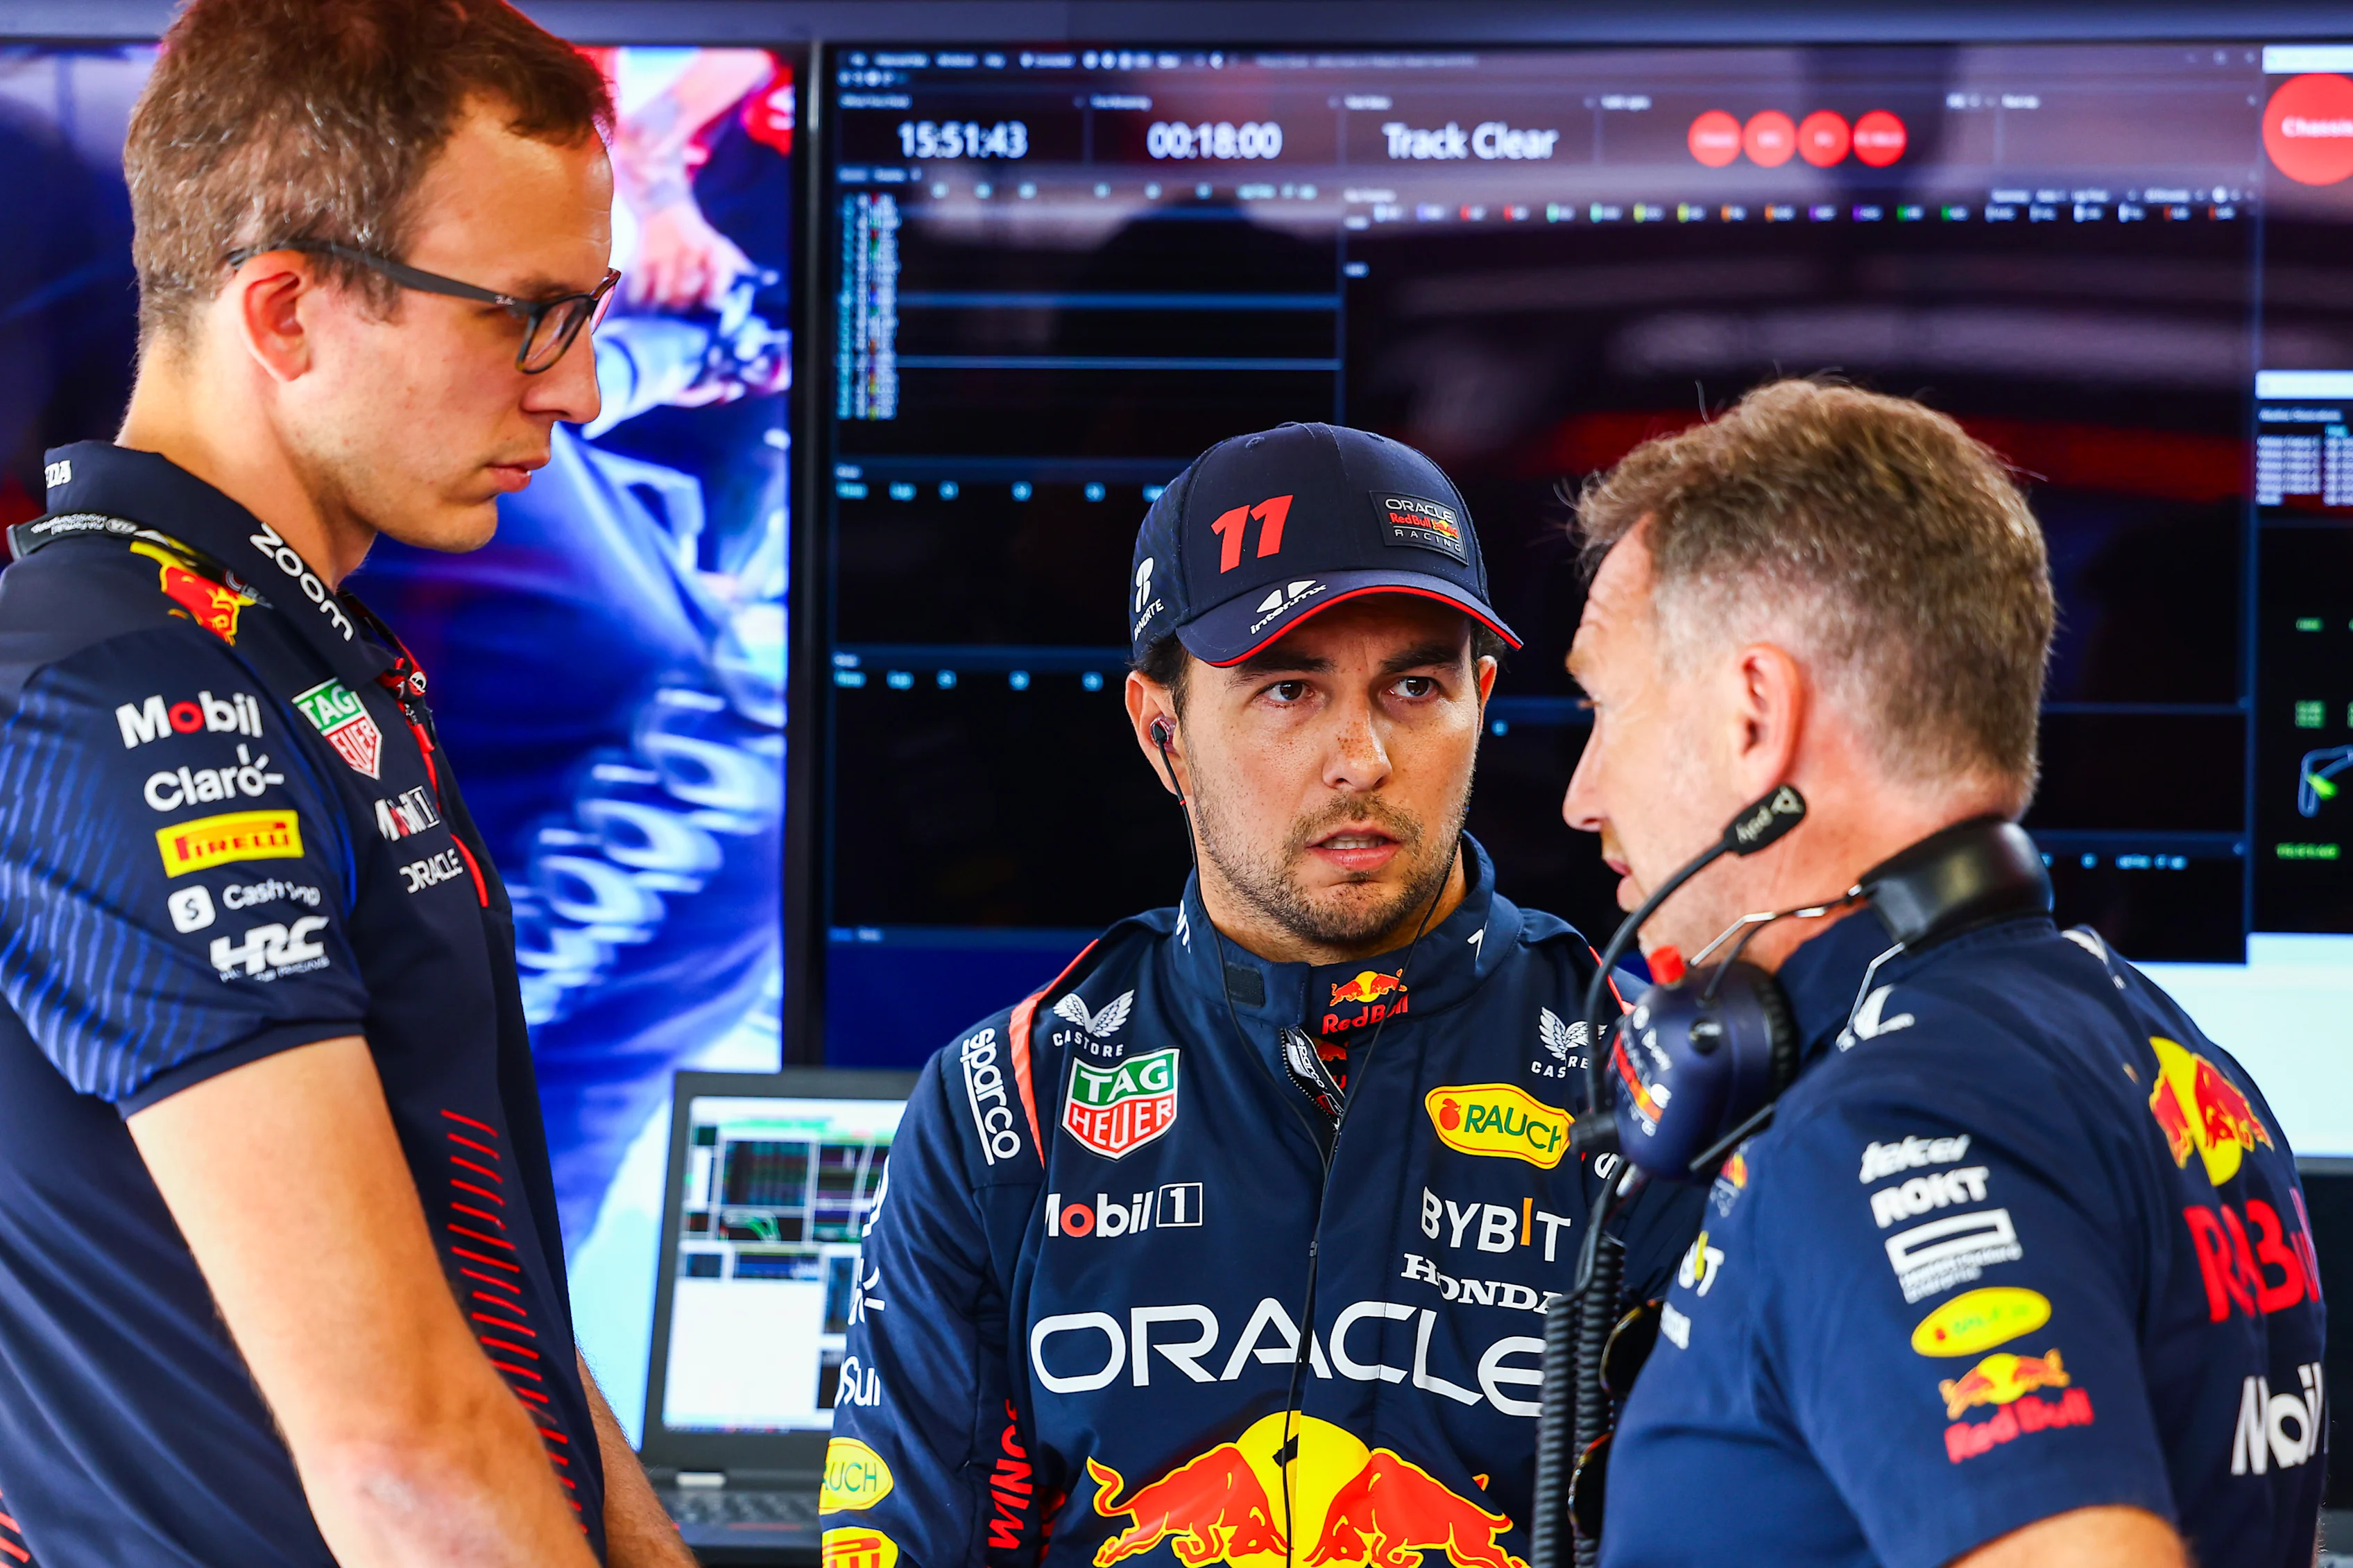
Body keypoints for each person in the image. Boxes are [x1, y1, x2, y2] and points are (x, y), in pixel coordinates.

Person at [0, 3, 694, 1565]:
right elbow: (401, 1455)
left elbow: (475, 1295)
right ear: (288, 311)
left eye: (585, 314)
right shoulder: (128, 688)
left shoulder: (274, 648)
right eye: (525, 317)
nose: (578, 390)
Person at [823, 422, 1702, 1568]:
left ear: (1481, 699)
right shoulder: (1008, 1103)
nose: (1362, 757)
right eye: (1290, 689)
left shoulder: (1650, 1081)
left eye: (1416, 686)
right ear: (1163, 734)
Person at [1566, 381, 2324, 1567]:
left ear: (1755, 715)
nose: (1583, 793)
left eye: (1607, 707)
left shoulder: (1886, 1125)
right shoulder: (2168, 1055)